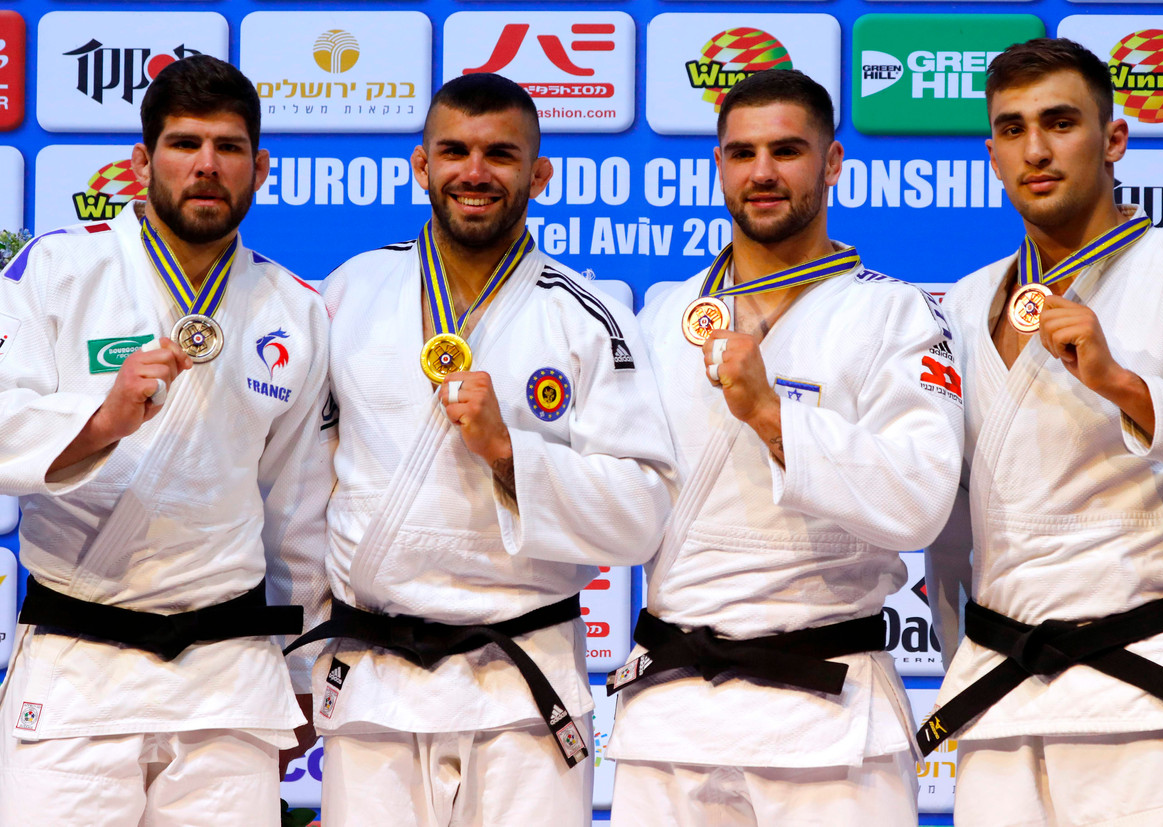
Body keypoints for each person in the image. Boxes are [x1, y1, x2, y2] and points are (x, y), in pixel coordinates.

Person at [295, 73, 676, 826]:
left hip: (521, 687)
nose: (475, 172)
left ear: (539, 174)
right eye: (455, 151)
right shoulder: (350, 293)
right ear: (421, 164)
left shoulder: (589, 317)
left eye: (501, 154)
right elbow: (301, 492)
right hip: (373, 683)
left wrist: (511, 453)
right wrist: (295, 663)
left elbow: (641, 517)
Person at [605, 68, 965, 826]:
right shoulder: (667, 313)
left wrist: (772, 414)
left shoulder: (895, 313)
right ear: (718, 166)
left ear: (832, 163)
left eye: (787, 150)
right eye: (742, 153)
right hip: (670, 714)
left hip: (825, 716)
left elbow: (921, 502)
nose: (762, 172)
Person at [0, 55, 332, 827]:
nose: (207, 166)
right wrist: (100, 423)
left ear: (261, 168)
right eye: (185, 144)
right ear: (142, 163)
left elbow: (299, 513)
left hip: (228, 675)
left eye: (229, 146)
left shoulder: (294, 310)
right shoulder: (58, 269)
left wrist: (306, 673)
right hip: (80, 660)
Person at [924, 37, 1163, 826]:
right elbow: (950, 517)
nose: (1036, 148)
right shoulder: (964, 305)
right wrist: (962, 647)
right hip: (1001, 700)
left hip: (1152, 697)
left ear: (1114, 139)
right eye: (1013, 128)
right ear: (992, 152)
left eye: (1061, 122)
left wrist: (1121, 383)